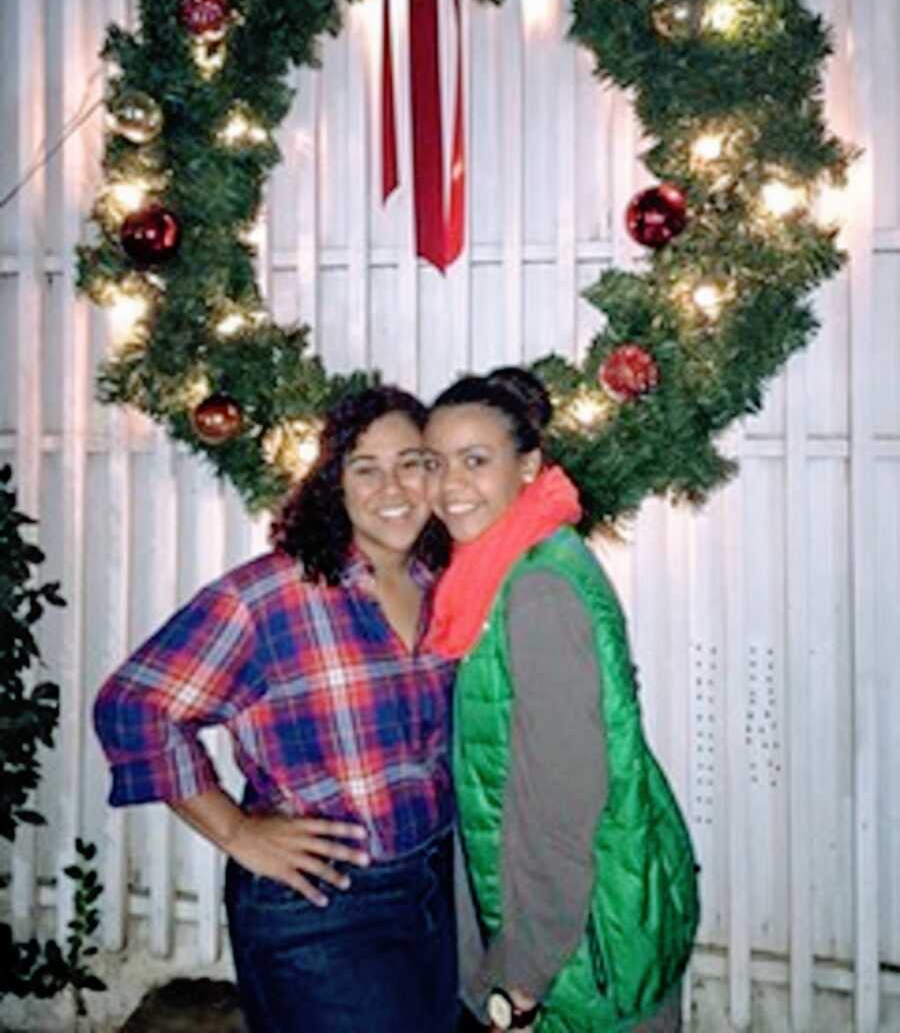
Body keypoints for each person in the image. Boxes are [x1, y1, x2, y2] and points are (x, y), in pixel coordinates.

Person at [94, 386, 457, 1033]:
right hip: (323, 904)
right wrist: (236, 831)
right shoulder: (270, 595)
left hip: (431, 885)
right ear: (333, 485)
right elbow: (134, 706)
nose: (392, 486)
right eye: (364, 468)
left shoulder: (442, 586)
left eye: (412, 462)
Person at [424, 368, 699, 1033]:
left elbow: (562, 801)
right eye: (435, 463)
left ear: (528, 466)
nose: (450, 486)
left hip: (580, 942)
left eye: (475, 461)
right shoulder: (502, 565)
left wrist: (524, 972)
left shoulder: (537, 590)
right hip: (585, 918)